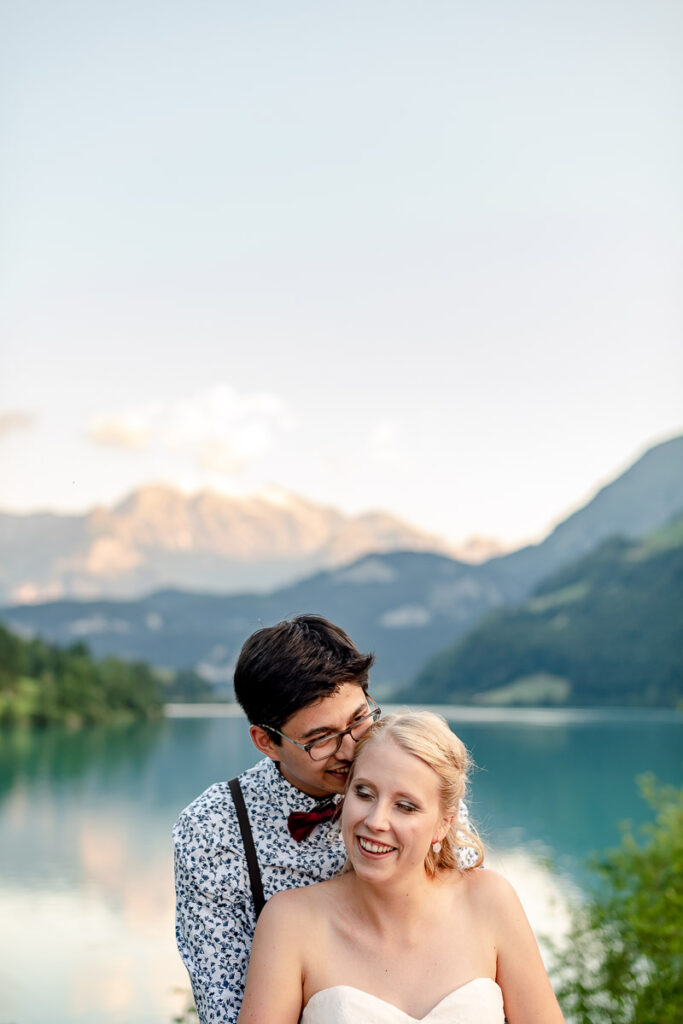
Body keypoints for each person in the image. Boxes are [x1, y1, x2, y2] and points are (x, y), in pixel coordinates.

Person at [173, 616, 477, 1024]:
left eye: (358, 720)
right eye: (320, 739)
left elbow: (468, 936)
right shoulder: (214, 829)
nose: (350, 750)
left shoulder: (420, 789)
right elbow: (225, 1010)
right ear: (267, 742)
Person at [237, 711, 566, 1024]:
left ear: (443, 824)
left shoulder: (489, 900)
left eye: (405, 806)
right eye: (364, 793)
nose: (376, 821)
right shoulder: (291, 921)